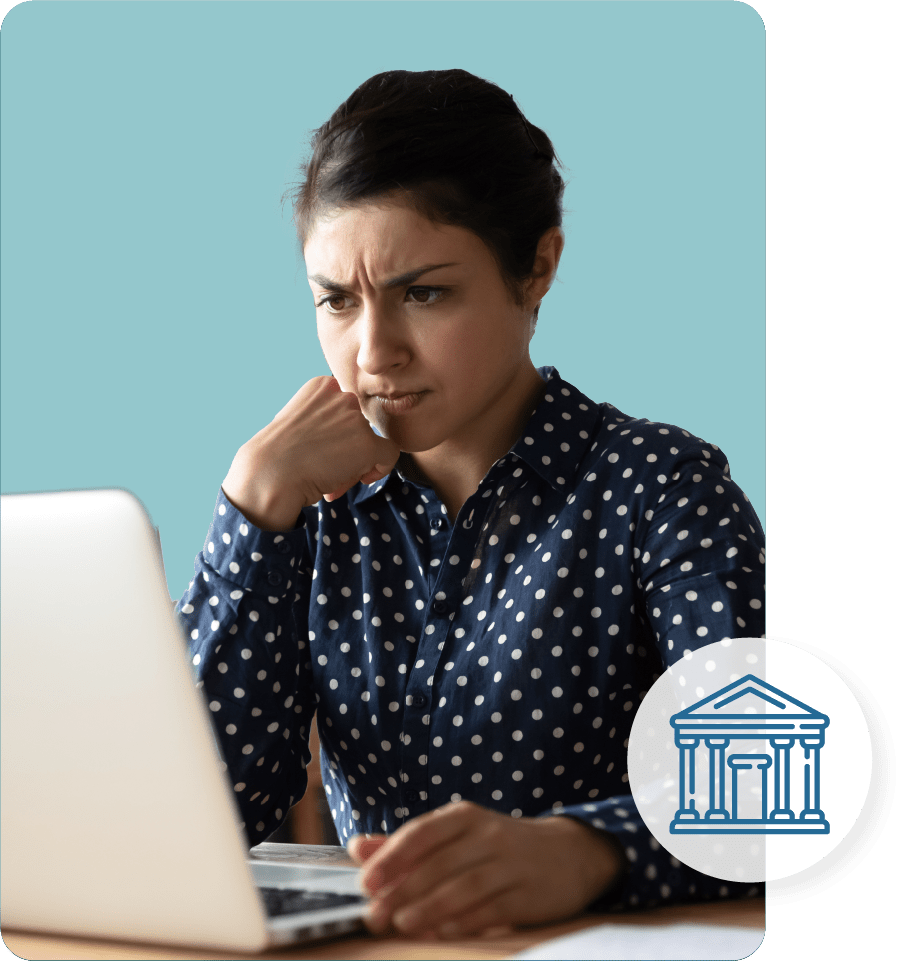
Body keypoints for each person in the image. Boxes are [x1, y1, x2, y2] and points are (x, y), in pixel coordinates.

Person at [178, 68, 765, 939]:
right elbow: (197, 817)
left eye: (423, 293)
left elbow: (767, 790)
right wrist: (253, 508)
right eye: (337, 301)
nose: (373, 351)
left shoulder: (658, 487)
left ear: (538, 267)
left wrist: (583, 849)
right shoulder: (308, 506)